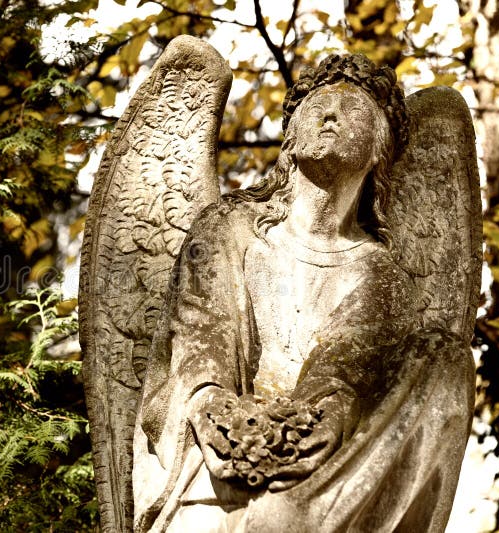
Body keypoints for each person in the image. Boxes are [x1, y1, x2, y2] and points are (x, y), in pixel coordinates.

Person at [132, 54, 474, 533]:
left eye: (351, 108)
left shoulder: (381, 270)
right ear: (290, 136)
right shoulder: (229, 230)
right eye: (316, 106)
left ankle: (299, 509)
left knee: (445, 357)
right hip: (212, 449)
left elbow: (340, 371)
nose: (330, 115)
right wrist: (217, 411)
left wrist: (314, 423)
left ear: (380, 147)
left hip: (324, 460)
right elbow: (197, 346)